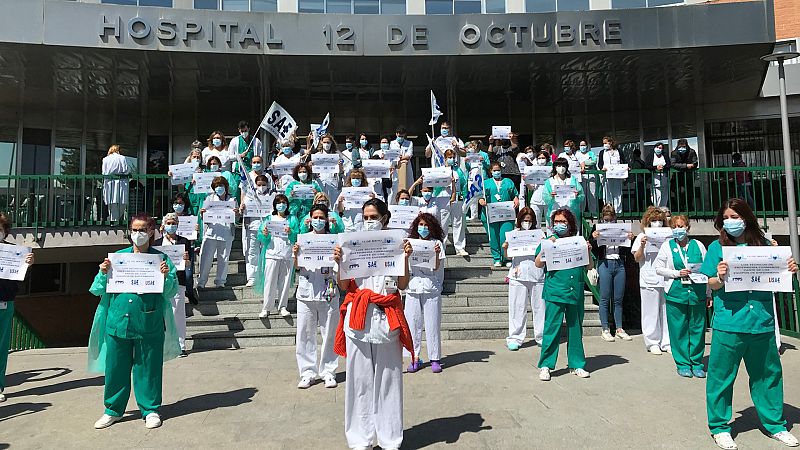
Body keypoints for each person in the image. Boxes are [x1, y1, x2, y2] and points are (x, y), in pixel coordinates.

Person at [701, 198, 799, 450]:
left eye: (735, 216)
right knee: (721, 377)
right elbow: (709, 283)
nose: (730, 221)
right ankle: (720, 426)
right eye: (726, 217)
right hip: (729, 322)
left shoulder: (766, 246)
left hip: (762, 322)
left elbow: (780, 274)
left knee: (768, 376)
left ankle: (775, 424)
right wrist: (720, 277)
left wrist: (789, 268)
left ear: (746, 217)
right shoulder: (716, 248)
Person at [333, 198, 414, 450]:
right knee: (359, 380)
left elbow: (402, 285)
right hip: (358, 315)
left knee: (389, 380)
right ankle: (360, 439)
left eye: (373, 217)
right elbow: (343, 286)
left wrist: (406, 258)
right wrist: (339, 262)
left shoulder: (396, 243)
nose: (369, 221)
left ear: (384, 218)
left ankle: (390, 439)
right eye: (365, 217)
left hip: (386, 314)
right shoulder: (352, 244)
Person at [88, 213, 179, 430]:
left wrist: (166, 277)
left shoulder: (162, 260)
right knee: (116, 368)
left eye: (143, 230)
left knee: (148, 367)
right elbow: (97, 289)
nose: (138, 234)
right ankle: (113, 409)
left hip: (148, 322)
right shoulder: (117, 257)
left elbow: (171, 292)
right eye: (134, 230)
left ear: (151, 232)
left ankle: (150, 409)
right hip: (118, 321)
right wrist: (103, 273)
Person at [535, 208, 593, 381]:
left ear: (570, 224)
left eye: (563, 222)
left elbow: (588, 266)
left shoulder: (578, 241)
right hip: (555, 290)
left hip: (574, 289)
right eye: (557, 222)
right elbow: (538, 263)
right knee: (552, 328)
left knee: (575, 329)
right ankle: (546, 365)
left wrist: (587, 250)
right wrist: (546, 248)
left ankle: (577, 364)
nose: (560, 225)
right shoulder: (548, 241)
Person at [291, 204, 341, 389]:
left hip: (328, 289)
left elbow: (340, 267)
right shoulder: (303, 240)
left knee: (330, 332)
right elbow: (297, 267)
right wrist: (296, 255)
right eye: (315, 217)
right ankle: (307, 372)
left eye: (322, 217)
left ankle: (329, 371)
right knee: (305, 333)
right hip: (306, 291)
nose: (318, 220)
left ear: (327, 219)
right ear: (309, 219)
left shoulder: (333, 240)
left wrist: (337, 258)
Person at [654, 215, 709, 378]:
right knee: (678, 329)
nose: (678, 229)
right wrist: (676, 273)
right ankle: (683, 363)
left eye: (681, 226)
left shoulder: (698, 245)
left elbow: (707, 269)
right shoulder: (666, 246)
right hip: (676, 292)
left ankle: (697, 362)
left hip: (697, 292)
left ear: (687, 228)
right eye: (675, 227)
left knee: (697, 328)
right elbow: (658, 268)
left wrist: (708, 293)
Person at [404, 213, 446, 373]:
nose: (423, 228)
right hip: (413, 285)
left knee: (432, 323)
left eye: (426, 225)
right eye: (421, 225)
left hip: (430, 285)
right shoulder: (410, 243)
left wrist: (435, 254)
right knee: (413, 323)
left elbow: (436, 268)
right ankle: (414, 357)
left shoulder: (436, 244)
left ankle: (435, 358)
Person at [0, 214, 34, 403]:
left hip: (5, 303)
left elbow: (21, 281)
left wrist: (27, 266)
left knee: (1, 347)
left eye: (1, 228)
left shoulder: (14, 251)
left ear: (5, 231)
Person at [503, 208, 545, 351]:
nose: (527, 223)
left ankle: (541, 336)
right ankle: (515, 337)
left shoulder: (540, 234)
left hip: (537, 273)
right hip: (517, 274)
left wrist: (544, 243)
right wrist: (505, 248)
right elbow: (508, 256)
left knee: (540, 307)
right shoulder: (513, 235)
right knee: (517, 307)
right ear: (519, 220)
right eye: (524, 220)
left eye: (529, 220)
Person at [590, 205, 634, 342]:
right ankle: (605, 328)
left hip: (619, 263)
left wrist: (631, 238)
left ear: (615, 217)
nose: (608, 221)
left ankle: (619, 328)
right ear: (602, 218)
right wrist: (593, 237)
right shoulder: (597, 228)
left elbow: (628, 248)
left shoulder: (620, 229)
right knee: (604, 297)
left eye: (611, 218)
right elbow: (592, 247)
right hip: (605, 263)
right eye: (606, 219)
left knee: (618, 298)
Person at [631, 207, 670, 355]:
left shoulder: (669, 236)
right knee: (650, 312)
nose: (658, 223)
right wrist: (642, 245)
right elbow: (637, 258)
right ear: (648, 222)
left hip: (666, 278)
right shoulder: (642, 236)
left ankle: (667, 342)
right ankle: (652, 342)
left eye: (660, 221)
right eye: (654, 221)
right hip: (649, 278)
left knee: (666, 311)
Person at [153, 213, 191, 357]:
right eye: (168, 223)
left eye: (173, 222)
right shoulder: (157, 243)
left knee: (178, 314)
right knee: (161, 314)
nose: (171, 225)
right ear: (163, 225)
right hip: (161, 283)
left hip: (178, 281)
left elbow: (187, 265)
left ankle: (180, 345)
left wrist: (186, 260)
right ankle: (163, 345)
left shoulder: (184, 241)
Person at [256, 194, 297, 318]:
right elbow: (261, 236)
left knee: (285, 282)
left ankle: (283, 306)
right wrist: (265, 234)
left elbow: (297, 235)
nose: (281, 205)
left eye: (284, 202)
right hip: (271, 253)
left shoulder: (292, 219)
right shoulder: (269, 218)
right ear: (275, 205)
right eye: (279, 203)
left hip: (287, 254)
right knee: (269, 281)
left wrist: (291, 232)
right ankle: (266, 307)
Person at [197, 176, 239, 289]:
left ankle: (220, 281)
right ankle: (201, 282)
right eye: (216, 186)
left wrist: (237, 213)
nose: (219, 188)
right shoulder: (209, 199)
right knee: (205, 257)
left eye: (221, 185)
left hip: (226, 232)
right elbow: (203, 218)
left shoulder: (232, 200)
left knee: (224, 258)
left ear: (226, 187)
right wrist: (203, 213)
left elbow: (238, 219)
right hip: (211, 231)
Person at [479, 162, 519, 268]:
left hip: (507, 214)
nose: (497, 172)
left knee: (505, 237)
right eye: (494, 170)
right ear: (490, 172)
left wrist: (516, 199)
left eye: (498, 170)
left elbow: (514, 193)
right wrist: (481, 200)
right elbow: (479, 195)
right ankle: (496, 258)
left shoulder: (508, 181)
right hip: (490, 214)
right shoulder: (485, 183)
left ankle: (507, 257)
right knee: (494, 237)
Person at [240, 174, 274, 287]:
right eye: (259, 185)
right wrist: (242, 209)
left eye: (264, 184)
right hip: (253, 227)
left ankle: (265, 276)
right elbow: (244, 211)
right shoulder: (249, 195)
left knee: (266, 252)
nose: (261, 187)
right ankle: (252, 277)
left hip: (267, 229)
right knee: (252, 253)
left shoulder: (273, 195)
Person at [437, 149, 468, 256]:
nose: (452, 159)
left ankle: (460, 247)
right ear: (445, 158)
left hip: (457, 198)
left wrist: (464, 196)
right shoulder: (440, 170)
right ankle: (442, 247)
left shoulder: (458, 170)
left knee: (458, 222)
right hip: (443, 198)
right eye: (449, 157)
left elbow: (464, 184)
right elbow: (435, 185)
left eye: (453, 157)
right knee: (443, 223)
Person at [543, 158, 584, 228]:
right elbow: (545, 197)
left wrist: (577, 195)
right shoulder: (549, 181)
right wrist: (551, 196)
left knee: (571, 232)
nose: (561, 168)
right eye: (558, 166)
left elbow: (581, 195)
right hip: (555, 210)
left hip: (571, 210)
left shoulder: (572, 179)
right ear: (555, 167)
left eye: (563, 166)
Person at [307, 133, 342, 205]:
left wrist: (340, 166)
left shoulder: (336, 156)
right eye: (325, 142)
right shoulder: (316, 156)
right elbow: (311, 173)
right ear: (321, 143)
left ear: (331, 143)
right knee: (319, 203)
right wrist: (310, 166)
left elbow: (340, 172)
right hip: (320, 182)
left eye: (328, 142)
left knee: (332, 205)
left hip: (332, 183)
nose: (326, 144)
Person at [597, 136, 627, 214]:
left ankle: (618, 212)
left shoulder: (618, 151)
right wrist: (602, 169)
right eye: (603, 143)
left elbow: (623, 161)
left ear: (610, 142)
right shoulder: (602, 152)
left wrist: (626, 168)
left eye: (605, 143)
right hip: (607, 176)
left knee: (617, 193)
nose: (604, 145)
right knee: (607, 194)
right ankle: (608, 211)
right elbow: (600, 164)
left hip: (617, 175)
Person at [337, 169, 374, 233]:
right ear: (350, 179)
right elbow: (340, 210)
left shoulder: (368, 191)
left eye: (358, 178)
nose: (355, 180)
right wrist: (340, 202)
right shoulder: (345, 192)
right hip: (348, 222)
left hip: (362, 223)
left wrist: (373, 199)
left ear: (362, 179)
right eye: (353, 178)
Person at [520, 150, 549, 228]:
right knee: (535, 222)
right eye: (539, 158)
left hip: (549, 199)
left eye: (543, 158)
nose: (541, 159)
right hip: (536, 199)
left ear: (547, 159)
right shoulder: (533, 170)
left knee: (549, 222)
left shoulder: (552, 170)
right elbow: (532, 188)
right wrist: (526, 181)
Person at [101, 144, 130, 222]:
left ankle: (113, 220)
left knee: (111, 203)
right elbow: (126, 170)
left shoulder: (105, 159)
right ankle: (115, 220)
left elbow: (104, 172)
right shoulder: (122, 158)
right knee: (122, 203)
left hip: (109, 182)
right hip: (121, 182)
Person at [465, 140, 490, 223]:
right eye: (470, 147)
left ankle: (487, 214)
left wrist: (483, 161)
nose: (471, 148)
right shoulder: (470, 155)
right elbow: (468, 168)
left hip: (482, 177)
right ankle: (474, 215)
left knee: (483, 196)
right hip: (472, 177)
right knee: (473, 196)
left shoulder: (484, 154)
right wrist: (466, 162)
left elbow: (488, 166)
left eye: (472, 146)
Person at [670, 138, 698, 210]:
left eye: (684, 147)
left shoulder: (692, 152)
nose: (682, 148)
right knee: (678, 193)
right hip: (677, 177)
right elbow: (673, 164)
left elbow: (695, 163)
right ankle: (679, 208)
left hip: (688, 177)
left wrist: (692, 165)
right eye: (680, 147)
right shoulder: (674, 153)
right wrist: (686, 166)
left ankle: (690, 208)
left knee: (689, 193)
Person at [388, 125, 414, 200]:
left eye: (402, 136)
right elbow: (391, 155)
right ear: (396, 134)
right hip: (395, 168)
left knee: (407, 187)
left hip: (406, 168)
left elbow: (409, 155)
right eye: (399, 135)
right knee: (394, 188)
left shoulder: (409, 143)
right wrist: (400, 158)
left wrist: (398, 158)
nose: (400, 137)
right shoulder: (392, 143)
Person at [576, 140, 599, 216]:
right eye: (581, 145)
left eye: (584, 145)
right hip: (581, 177)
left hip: (591, 176)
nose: (582, 147)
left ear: (587, 146)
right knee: (582, 195)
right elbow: (576, 163)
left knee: (592, 194)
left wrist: (584, 163)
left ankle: (593, 213)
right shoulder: (577, 154)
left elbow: (594, 161)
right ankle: (581, 213)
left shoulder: (591, 153)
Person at [649, 142, 671, 208]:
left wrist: (663, 167)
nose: (659, 149)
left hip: (664, 178)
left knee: (664, 195)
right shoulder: (650, 155)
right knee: (656, 195)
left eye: (660, 148)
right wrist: (656, 167)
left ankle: (663, 209)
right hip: (654, 178)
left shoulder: (665, 155)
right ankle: (657, 209)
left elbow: (669, 165)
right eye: (657, 147)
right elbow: (647, 165)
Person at [629, 148, 648, 213]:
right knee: (640, 196)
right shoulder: (642, 162)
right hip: (642, 181)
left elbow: (633, 172)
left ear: (634, 155)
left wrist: (628, 180)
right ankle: (640, 209)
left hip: (639, 181)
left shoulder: (636, 163)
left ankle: (638, 210)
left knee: (638, 196)